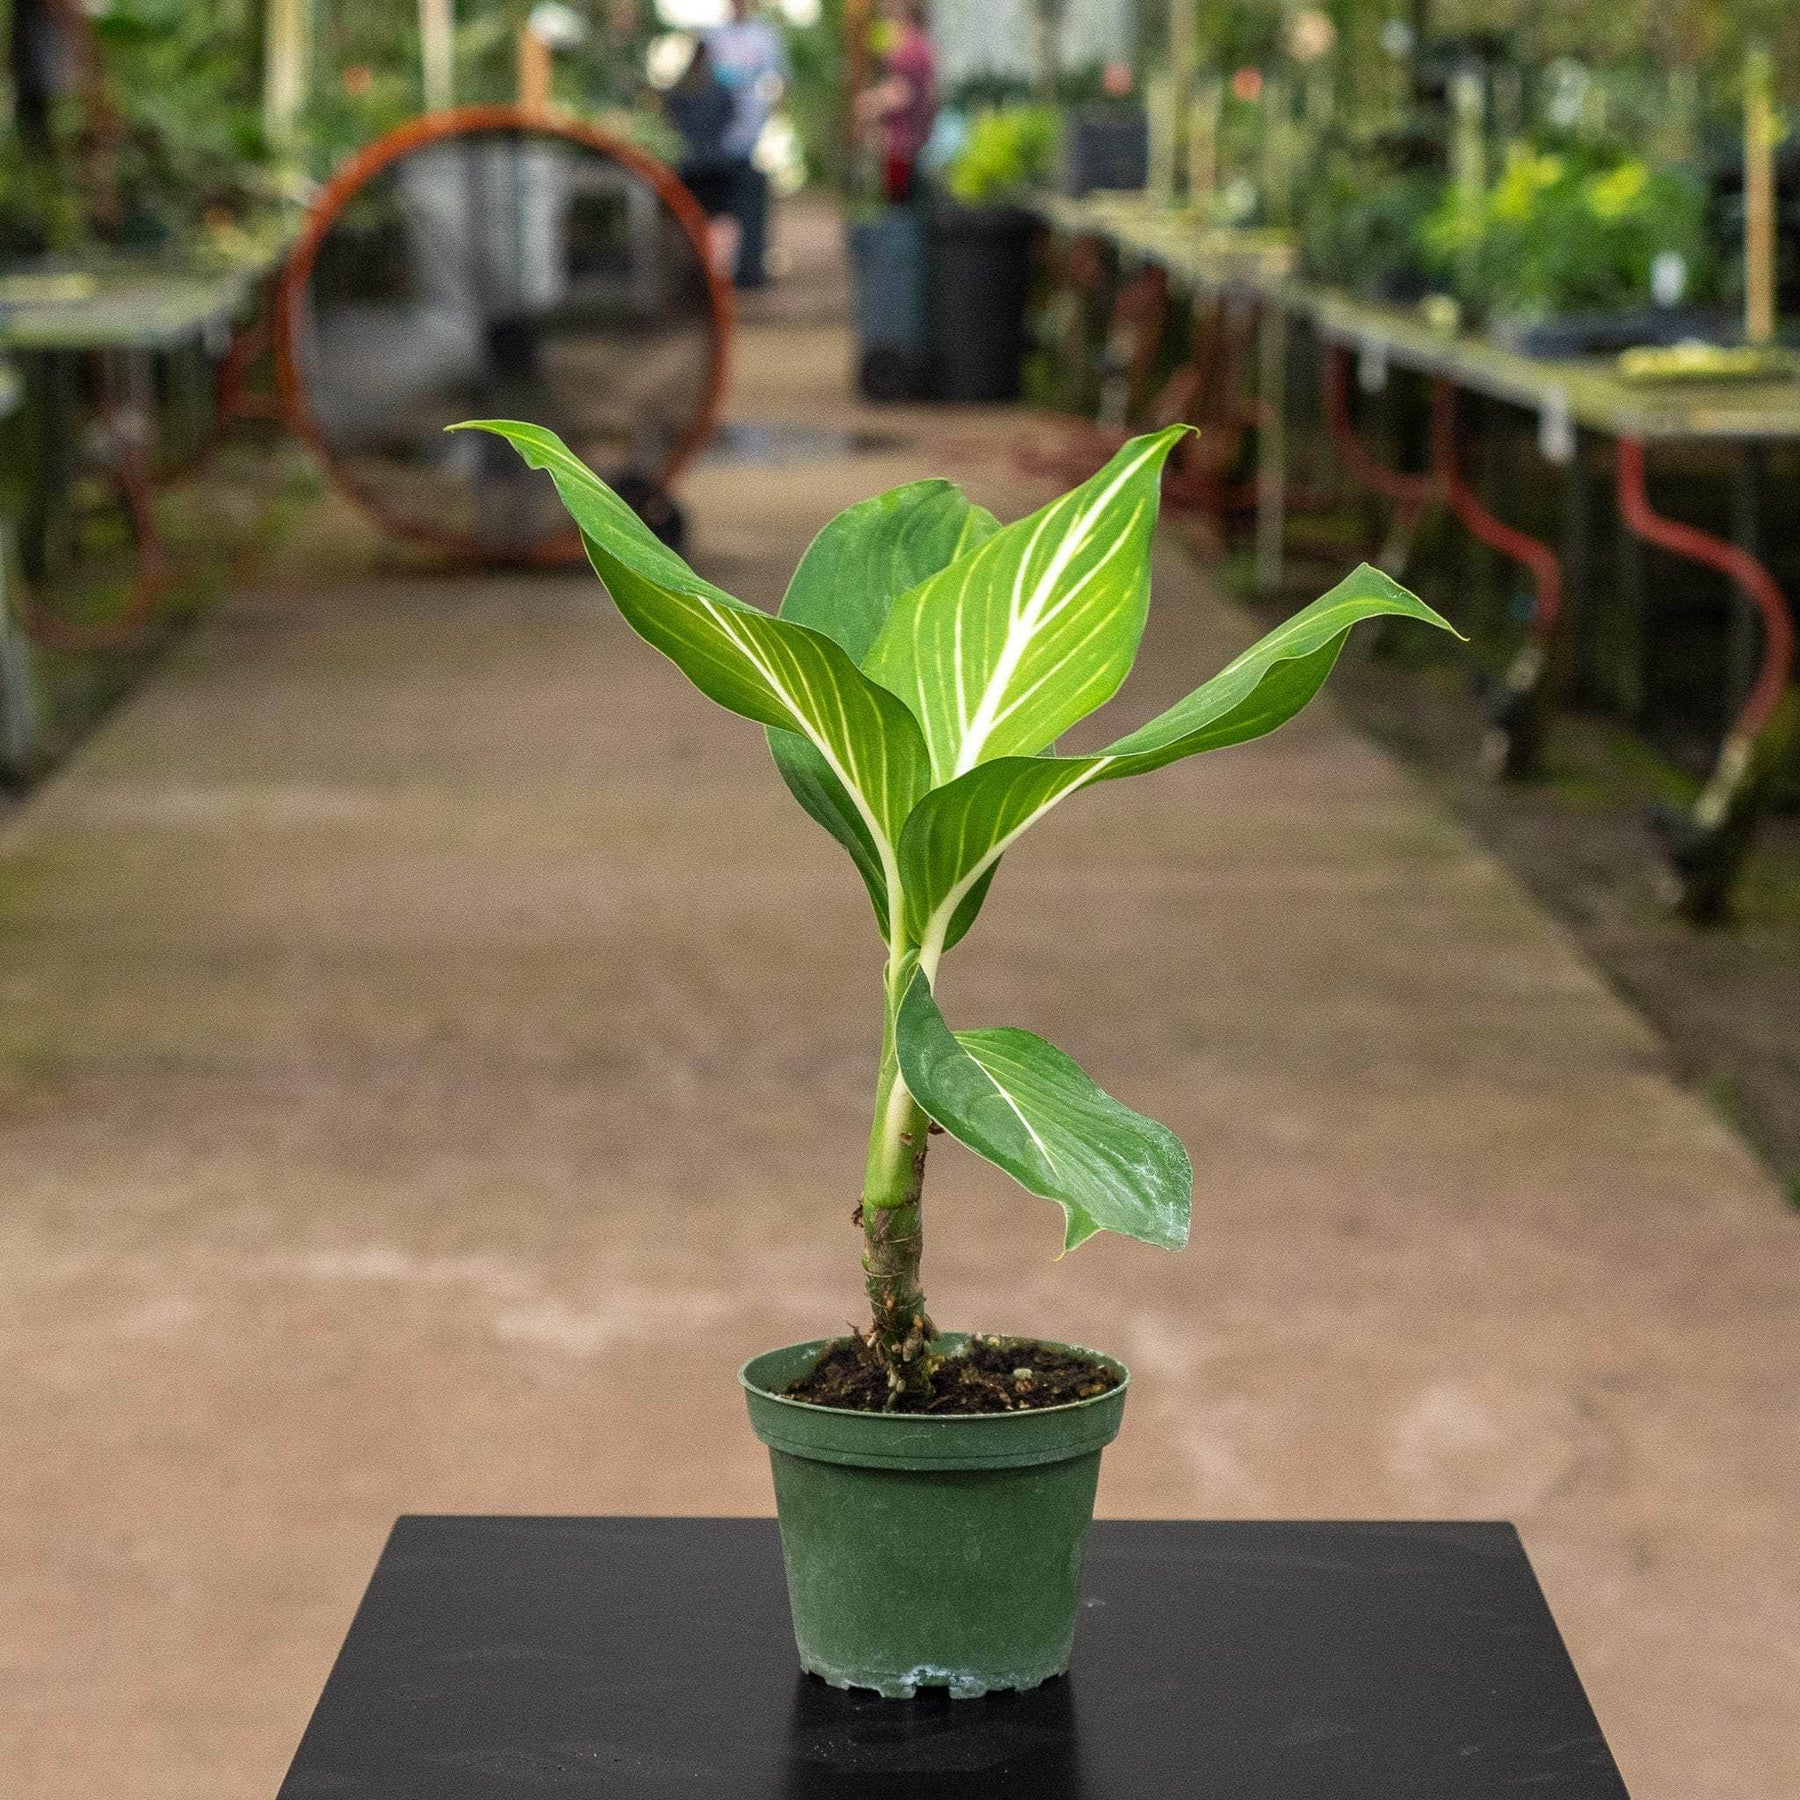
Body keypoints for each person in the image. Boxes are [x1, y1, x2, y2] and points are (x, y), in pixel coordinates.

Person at [703, 0, 788, 289]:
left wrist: (770, 116)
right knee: (722, 205)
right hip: (715, 140)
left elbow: (778, 78)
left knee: (748, 200)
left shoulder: (764, 35)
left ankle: (749, 266)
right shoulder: (714, 36)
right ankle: (725, 268)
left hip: (749, 135)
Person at [662, 38, 741, 279]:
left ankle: (697, 273)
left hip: (688, 165)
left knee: (689, 219)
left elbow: (669, 120)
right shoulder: (721, 89)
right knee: (721, 219)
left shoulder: (679, 88)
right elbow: (731, 118)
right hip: (717, 164)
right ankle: (719, 274)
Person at [854, 0, 936, 204]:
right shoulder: (914, 43)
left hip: (904, 143)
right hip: (909, 141)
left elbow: (903, 93)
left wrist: (872, 102)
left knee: (900, 206)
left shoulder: (911, 48)